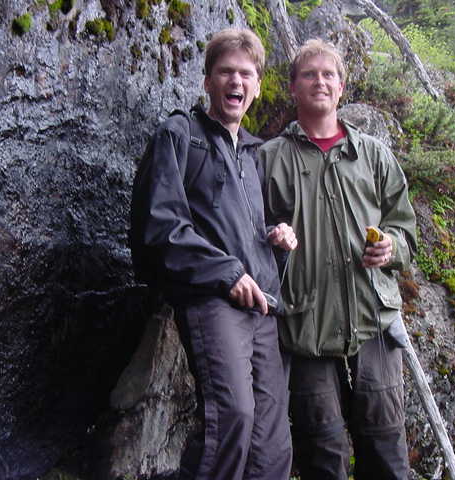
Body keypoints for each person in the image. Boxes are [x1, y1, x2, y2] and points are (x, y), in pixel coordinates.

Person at [130, 28, 296, 480]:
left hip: (261, 302)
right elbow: (160, 225)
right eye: (225, 72)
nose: (235, 82)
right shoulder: (180, 135)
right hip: (211, 298)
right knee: (233, 418)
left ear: (258, 86)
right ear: (207, 81)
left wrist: (272, 238)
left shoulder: (252, 155)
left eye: (246, 74)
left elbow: (233, 229)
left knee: (272, 439)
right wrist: (227, 273)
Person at [260, 38, 418, 480]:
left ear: (342, 87)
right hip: (305, 327)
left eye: (328, 74)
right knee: (321, 454)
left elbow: (405, 229)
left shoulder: (373, 155)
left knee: (386, 448)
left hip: (374, 325)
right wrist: (271, 237)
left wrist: (392, 246)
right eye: (309, 74)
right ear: (292, 87)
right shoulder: (269, 159)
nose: (320, 82)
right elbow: (247, 237)